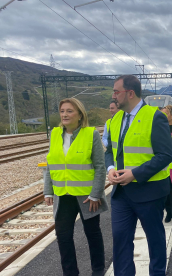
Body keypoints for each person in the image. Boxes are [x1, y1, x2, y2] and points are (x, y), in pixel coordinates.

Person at [105, 75, 172, 276]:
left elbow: (165, 155)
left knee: (155, 240)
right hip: (121, 193)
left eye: (116, 91)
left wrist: (134, 174)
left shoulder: (155, 116)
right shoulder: (115, 119)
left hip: (149, 192)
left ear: (130, 93)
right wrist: (110, 169)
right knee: (120, 240)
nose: (113, 95)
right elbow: (109, 150)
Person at [44, 98, 108, 276]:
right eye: (62, 111)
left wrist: (96, 194)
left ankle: (97, 270)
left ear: (80, 115)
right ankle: (70, 272)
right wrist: (48, 190)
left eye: (69, 111)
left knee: (92, 233)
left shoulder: (91, 134)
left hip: (87, 196)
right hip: (62, 194)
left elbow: (99, 166)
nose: (65, 114)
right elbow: (51, 164)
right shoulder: (55, 134)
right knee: (63, 237)